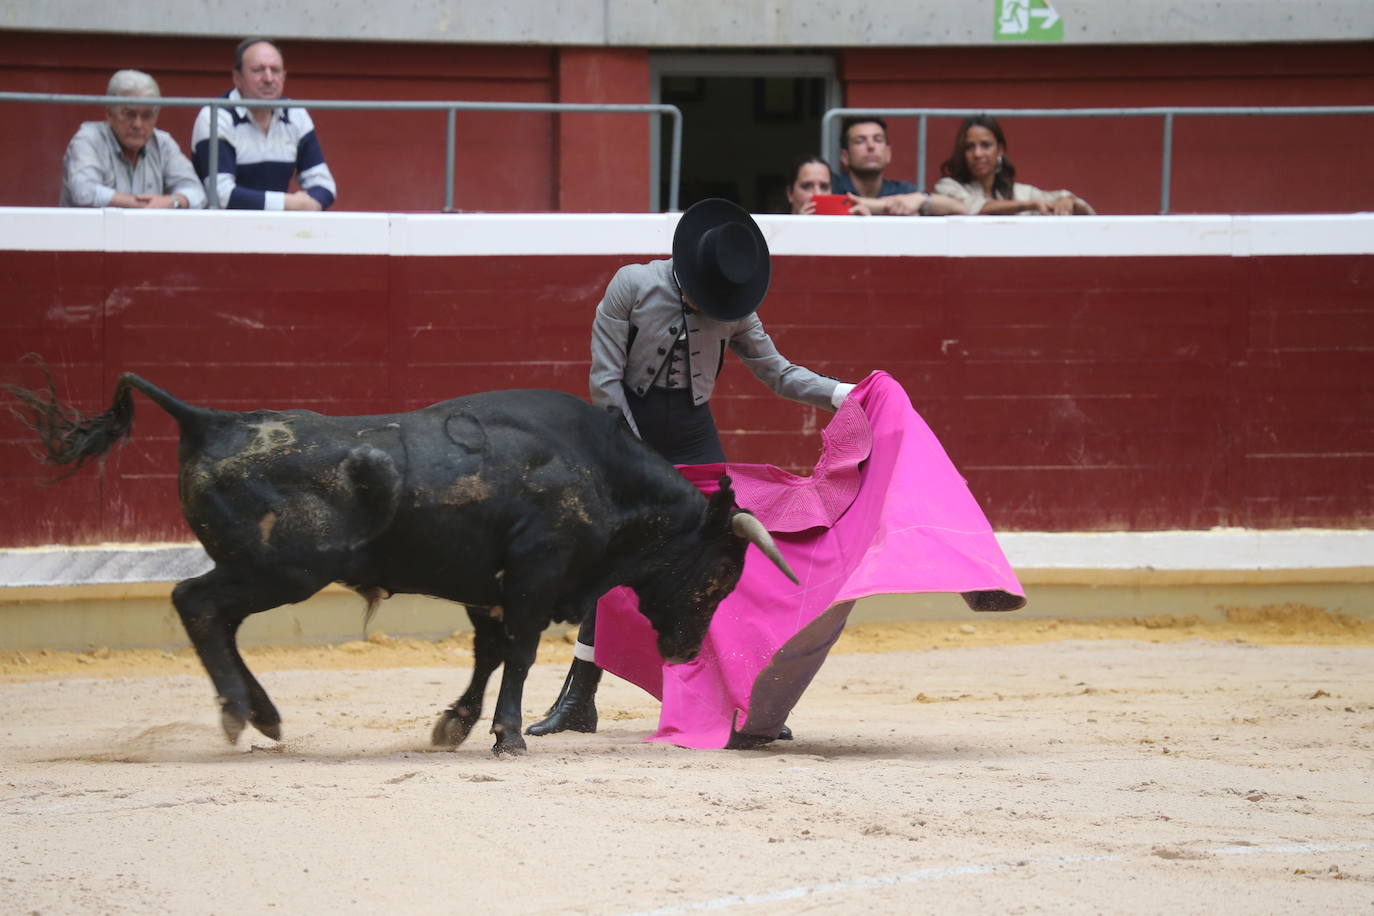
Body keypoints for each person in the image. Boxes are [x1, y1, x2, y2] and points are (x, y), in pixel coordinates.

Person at [527, 197, 857, 739]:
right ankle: (578, 699)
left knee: (720, 564)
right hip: (626, 432)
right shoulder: (631, 286)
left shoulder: (734, 307)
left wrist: (844, 395)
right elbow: (606, 385)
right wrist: (631, 461)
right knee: (613, 564)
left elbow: (778, 373)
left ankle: (740, 699)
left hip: (693, 434)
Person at [191, 38, 337, 210]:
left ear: (284, 76)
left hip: (277, 228)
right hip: (223, 230)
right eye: (258, 70)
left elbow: (325, 185)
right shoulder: (216, 116)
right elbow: (221, 196)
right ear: (237, 78)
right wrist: (288, 203)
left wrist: (312, 204)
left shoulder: (295, 113)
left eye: (275, 70)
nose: (268, 78)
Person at [59, 70, 204, 209]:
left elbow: (197, 193)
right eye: (129, 114)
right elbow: (83, 192)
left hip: (149, 233)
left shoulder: (162, 143)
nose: (137, 124)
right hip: (92, 232)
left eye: (147, 115)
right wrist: (139, 205)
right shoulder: (88, 139)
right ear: (109, 114)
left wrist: (171, 202)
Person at [934, 115, 1095, 215]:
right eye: (969, 147)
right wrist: (1029, 205)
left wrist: (1068, 201)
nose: (977, 154)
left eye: (985, 145)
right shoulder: (947, 187)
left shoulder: (1021, 192)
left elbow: (1082, 209)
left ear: (1000, 150)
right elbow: (969, 207)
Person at [830, 116, 964, 216]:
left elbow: (959, 208)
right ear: (844, 156)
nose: (871, 146)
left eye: (878, 140)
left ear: (888, 153)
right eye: (860, 141)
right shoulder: (831, 186)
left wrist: (921, 199)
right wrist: (890, 207)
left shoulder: (902, 190)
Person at [784, 154, 871, 216]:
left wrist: (867, 227)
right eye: (807, 186)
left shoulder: (842, 230)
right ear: (790, 194)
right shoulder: (774, 233)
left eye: (824, 187)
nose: (818, 194)